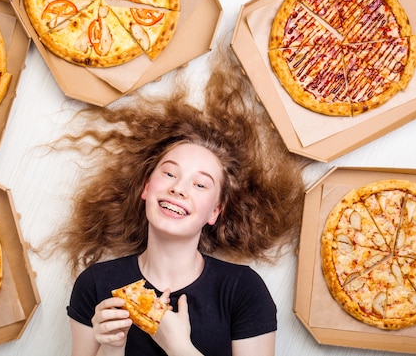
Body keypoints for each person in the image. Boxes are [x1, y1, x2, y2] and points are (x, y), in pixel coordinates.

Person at [54, 44, 309, 356]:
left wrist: (178, 346)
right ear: (147, 188)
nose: (179, 189)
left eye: (200, 184)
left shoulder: (243, 290)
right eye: (170, 174)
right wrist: (111, 347)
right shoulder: (95, 283)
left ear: (215, 211)